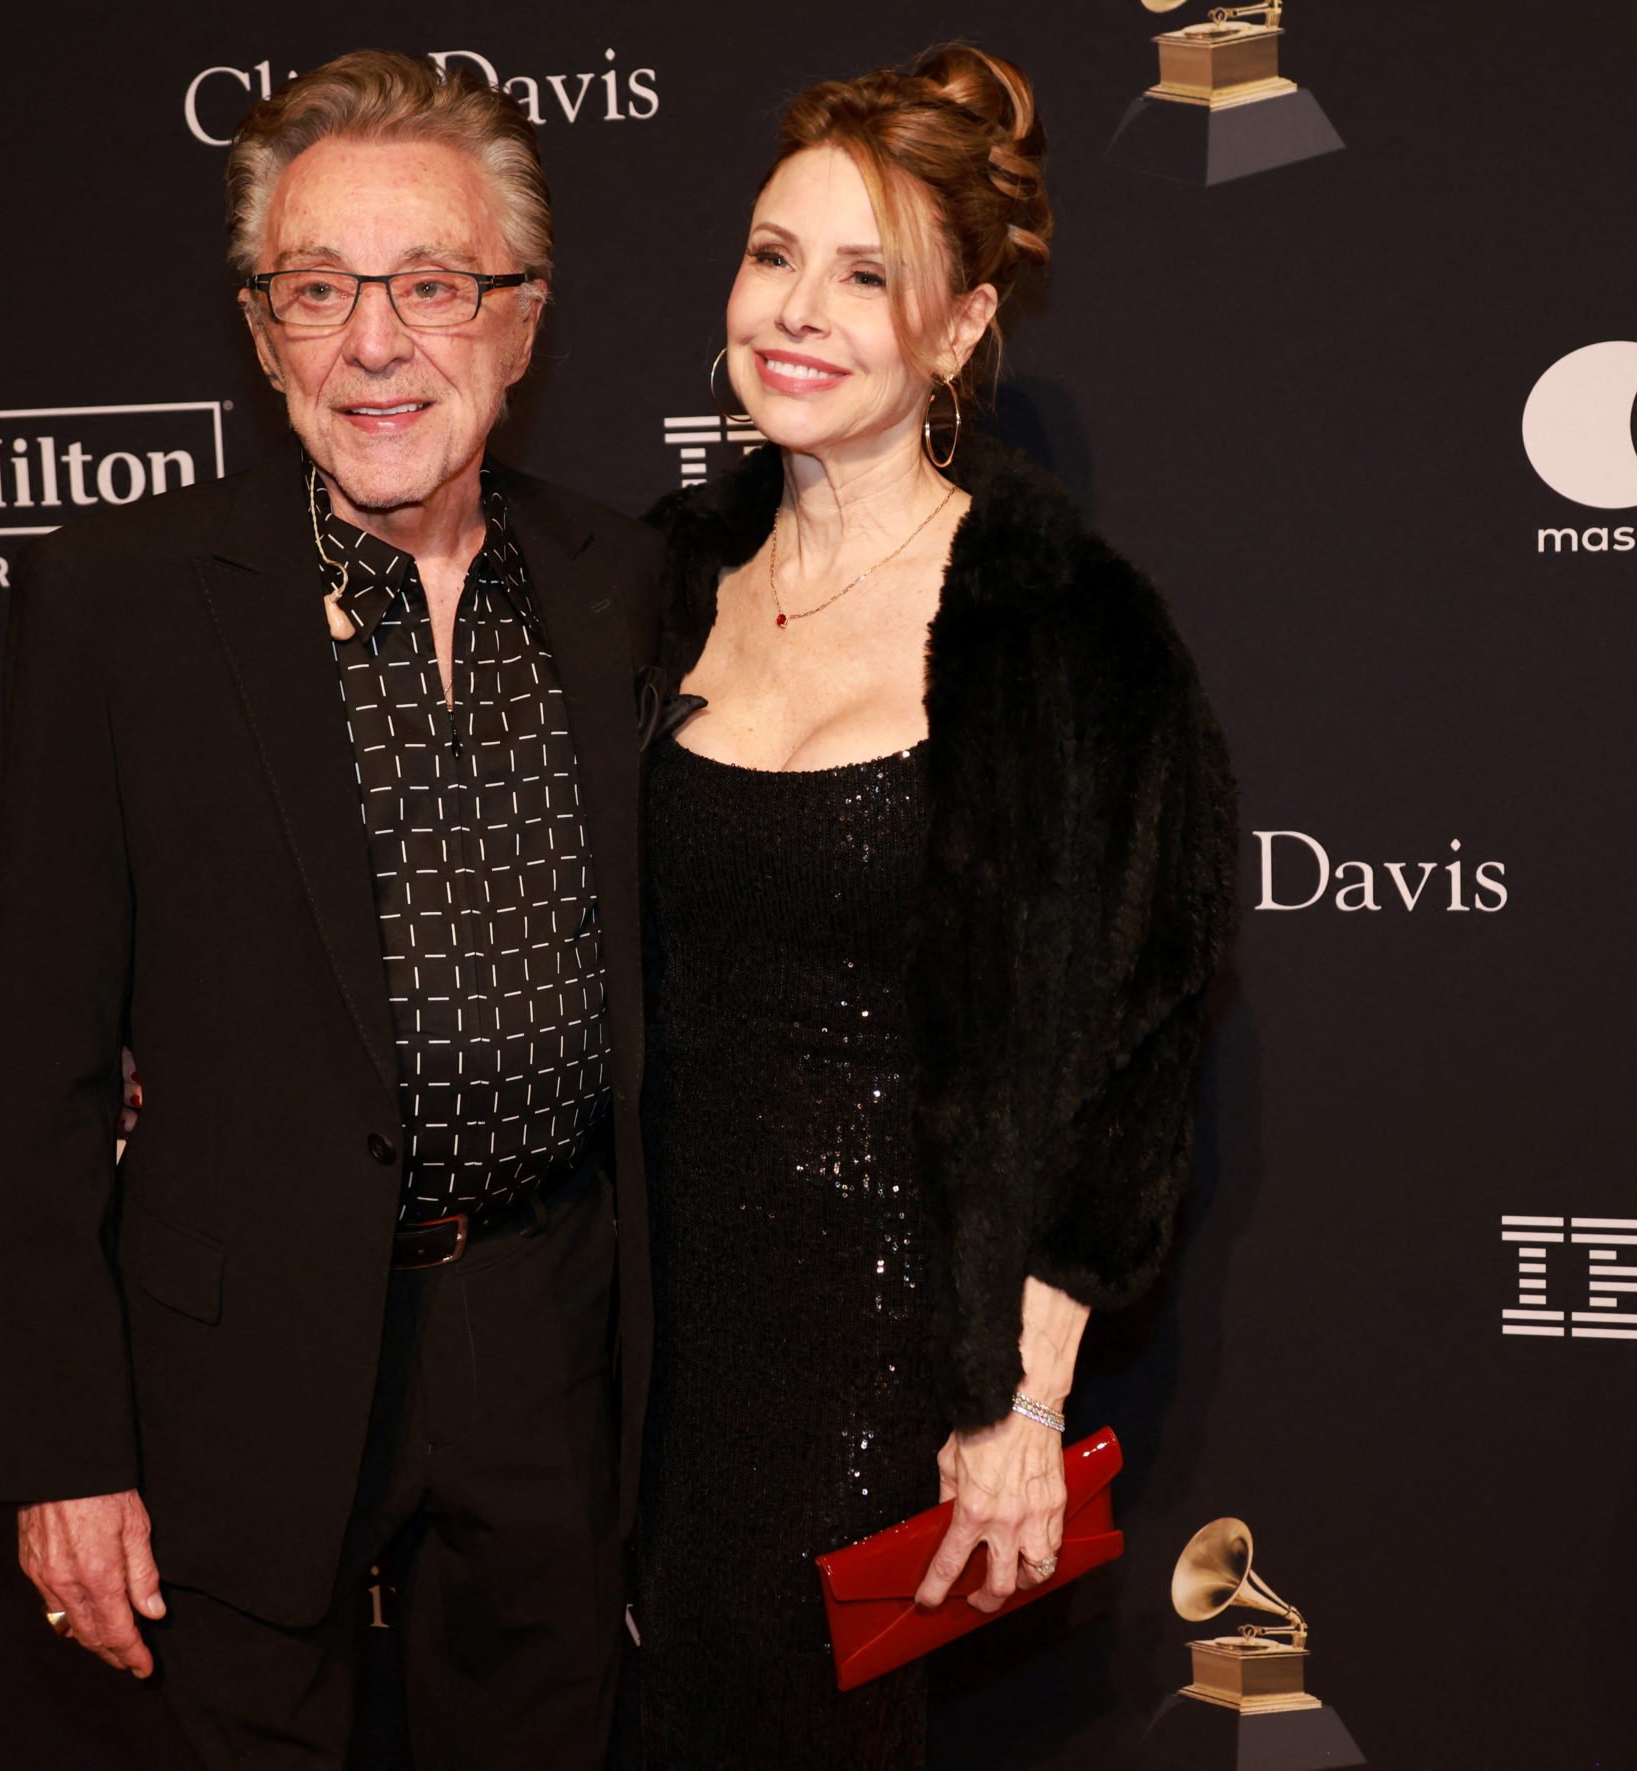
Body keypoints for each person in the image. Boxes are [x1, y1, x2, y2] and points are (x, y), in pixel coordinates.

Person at [0, 50, 662, 1769]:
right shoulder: (114, 604)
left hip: (543, 1318)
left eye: (429, 287)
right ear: (261, 325)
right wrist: (64, 1445)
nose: (373, 345)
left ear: (520, 316)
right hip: (237, 1356)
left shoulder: (627, 585)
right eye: (316, 289)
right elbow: (41, 1063)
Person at [632, 44, 1240, 1765]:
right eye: (772, 255)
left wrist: (1023, 1399)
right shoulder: (659, 581)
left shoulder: (1067, 629)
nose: (797, 312)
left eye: (867, 274)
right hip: (635, 1350)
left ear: (961, 330)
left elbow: (1129, 1045)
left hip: (894, 1356)